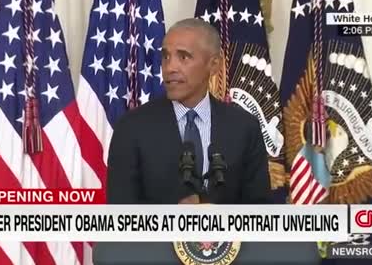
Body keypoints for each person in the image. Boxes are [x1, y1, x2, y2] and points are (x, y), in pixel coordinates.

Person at [106, 18, 271, 204]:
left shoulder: (244, 127)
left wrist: (219, 221)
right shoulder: (131, 128)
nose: (170, 68)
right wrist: (173, 221)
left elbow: (260, 212)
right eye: (166, 56)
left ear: (214, 64)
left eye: (183, 57)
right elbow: (119, 217)